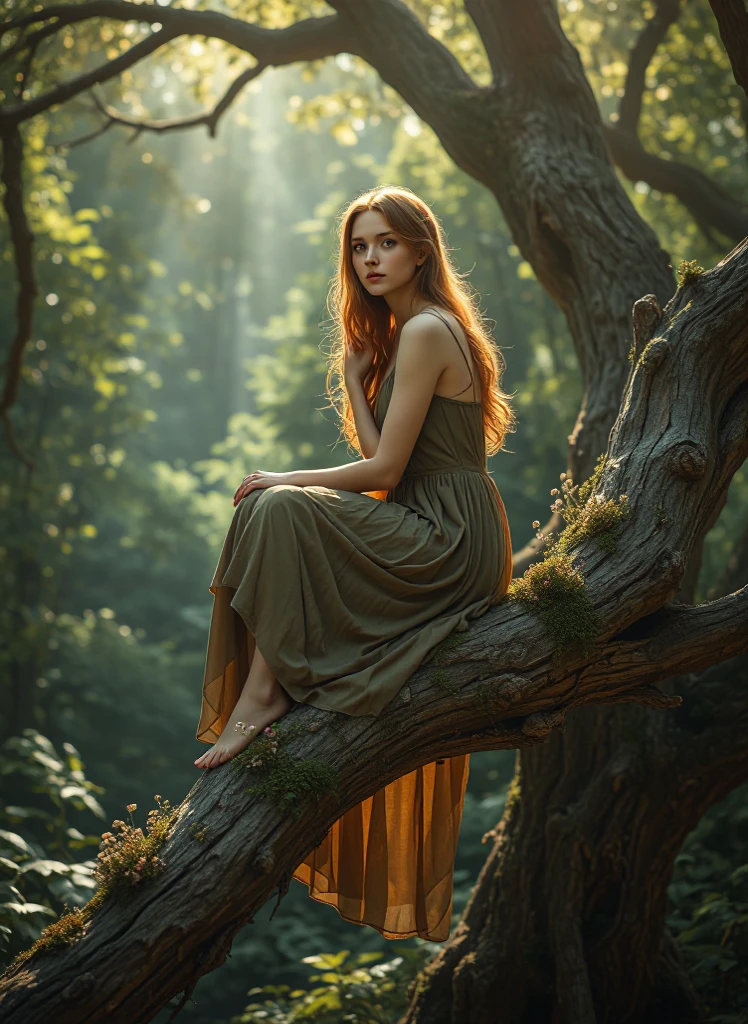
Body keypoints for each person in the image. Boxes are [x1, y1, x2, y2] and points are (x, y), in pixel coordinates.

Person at [194, 184, 515, 940]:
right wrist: (349, 380)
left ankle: (265, 693)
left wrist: (283, 476)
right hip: (423, 515)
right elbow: (386, 468)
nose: (370, 258)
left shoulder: (430, 330)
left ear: (422, 250)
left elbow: (381, 474)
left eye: (386, 243)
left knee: (275, 506)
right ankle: (270, 690)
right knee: (275, 512)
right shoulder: (410, 333)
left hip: (452, 539)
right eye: (360, 247)